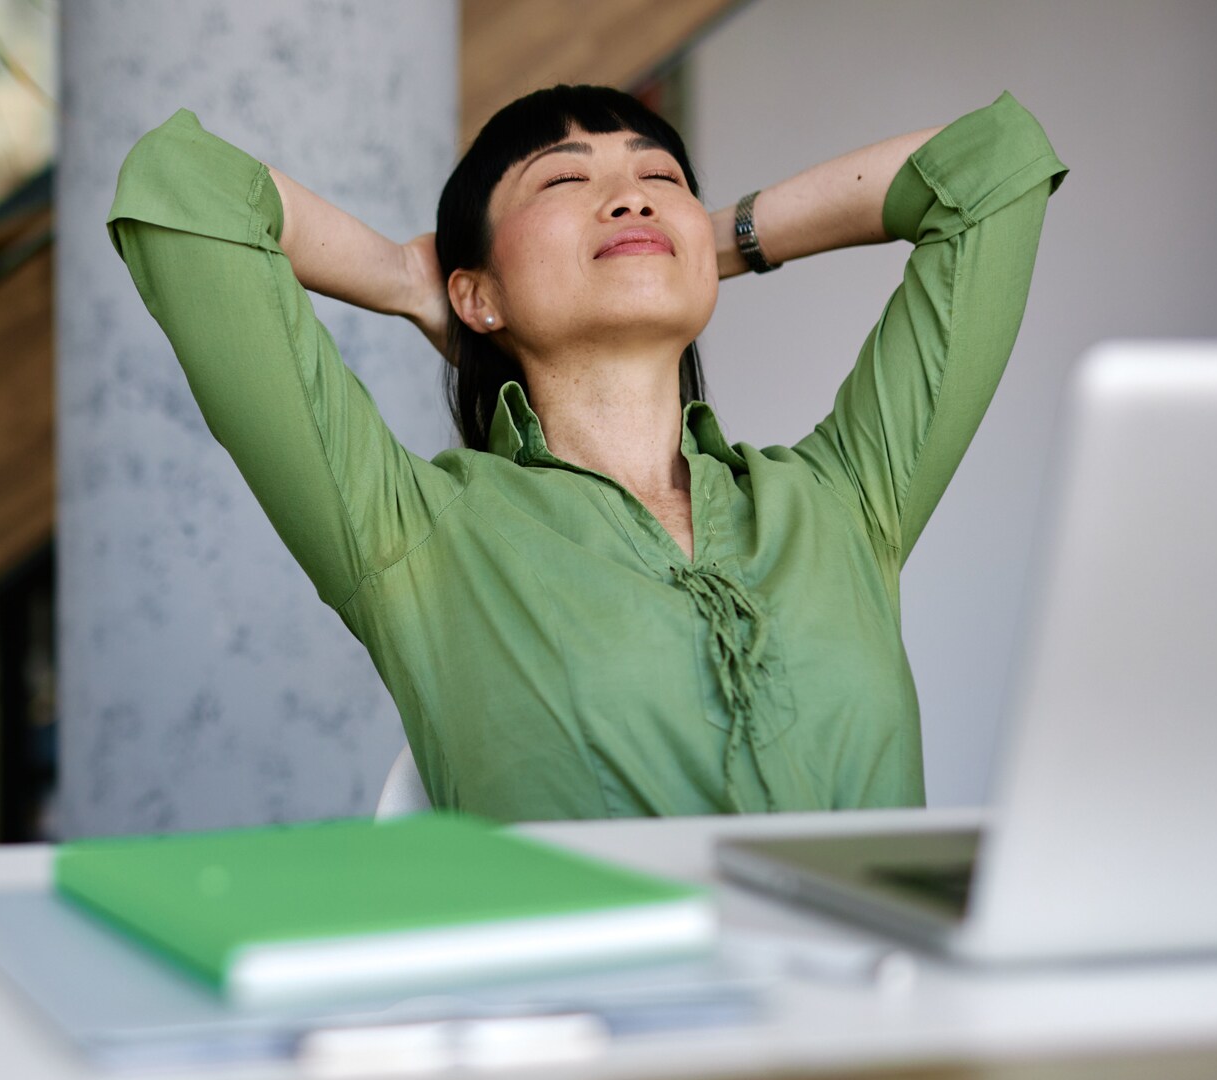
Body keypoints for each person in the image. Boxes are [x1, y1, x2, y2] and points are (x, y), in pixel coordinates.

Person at [105, 85, 1067, 821]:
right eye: (566, 180)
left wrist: (717, 241)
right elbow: (188, 185)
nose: (629, 199)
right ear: (477, 295)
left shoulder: (846, 499)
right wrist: (409, 275)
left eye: (662, 180)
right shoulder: (417, 538)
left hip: (885, 1049)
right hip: (594, 1062)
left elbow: (990, 170)